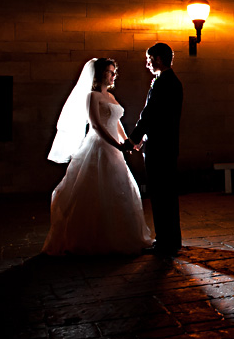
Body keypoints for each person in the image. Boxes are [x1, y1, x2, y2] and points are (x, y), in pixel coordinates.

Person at [43, 58, 153, 255]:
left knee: (119, 189)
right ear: (100, 73)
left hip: (114, 148)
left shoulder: (110, 96)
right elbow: (96, 126)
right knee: (95, 191)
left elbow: (117, 122)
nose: (113, 75)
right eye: (110, 71)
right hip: (99, 146)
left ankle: (120, 235)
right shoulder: (92, 96)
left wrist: (129, 141)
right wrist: (117, 145)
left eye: (114, 72)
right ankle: (94, 239)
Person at [124, 43, 184, 255]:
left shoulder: (163, 83)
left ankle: (165, 242)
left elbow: (149, 115)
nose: (147, 63)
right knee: (167, 194)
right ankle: (171, 240)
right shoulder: (172, 82)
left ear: (158, 59)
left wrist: (133, 140)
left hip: (160, 148)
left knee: (160, 194)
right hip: (166, 146)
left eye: (149, 58)